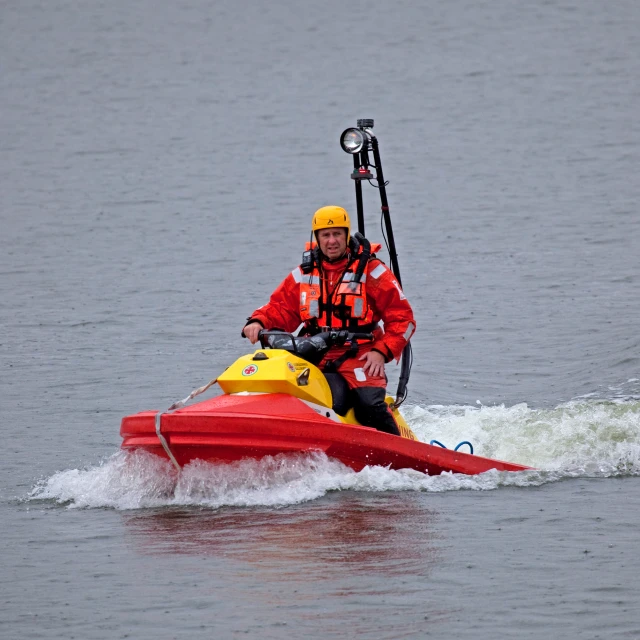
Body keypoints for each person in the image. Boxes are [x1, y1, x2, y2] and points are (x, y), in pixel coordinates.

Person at [241, 205, 415, 436]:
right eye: (325, 235)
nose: (331, 241)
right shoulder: (304, 272)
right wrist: (258, 322)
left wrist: (381, 352)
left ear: (346, 235)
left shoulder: (373, 271)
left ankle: (397, 453)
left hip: (360, 353)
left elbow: (403, 319)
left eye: (337, 234)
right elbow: (280, 307)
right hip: (312, 350)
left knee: (368, 405)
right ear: (317, 238)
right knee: (276, 388)